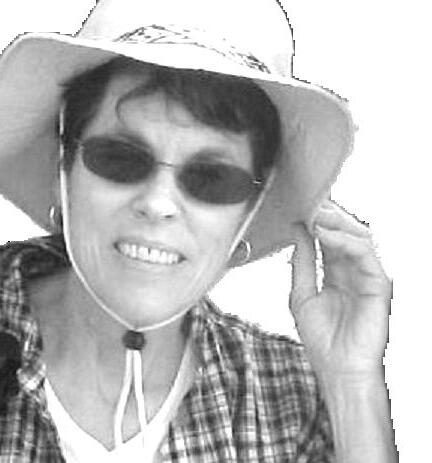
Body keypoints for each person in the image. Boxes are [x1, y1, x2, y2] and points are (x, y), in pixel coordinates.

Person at [0, 0, 397, 461]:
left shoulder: (287, 400)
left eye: (211, 178)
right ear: (62, 167)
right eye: (120, 158)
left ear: (251, 209)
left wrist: (352, 383)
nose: (158, 204)